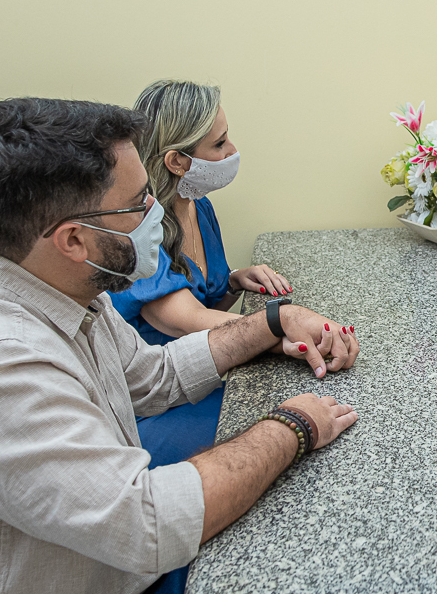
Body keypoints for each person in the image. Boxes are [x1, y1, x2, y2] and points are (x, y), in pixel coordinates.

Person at [0, 98, 361, 594]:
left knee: (301, 584)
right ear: (73, 239)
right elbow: (151, 524)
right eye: (138, 204)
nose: (154, 214)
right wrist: (291, 426)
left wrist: (271, 323)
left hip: (99, 583)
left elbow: (152, 376)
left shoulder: (60, 287)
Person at [110, 80, 313, 468]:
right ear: (177, 161)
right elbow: (189, 321)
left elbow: (206, 299)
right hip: (163, 404)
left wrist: (234, 280)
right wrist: (286, 326)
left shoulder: (196, 208)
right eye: (219, 144)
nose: (232, 151)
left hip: (208, 377)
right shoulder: (144, 234)